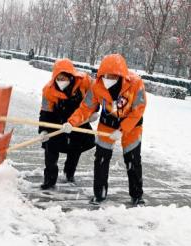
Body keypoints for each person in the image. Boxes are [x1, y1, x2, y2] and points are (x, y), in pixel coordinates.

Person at [65, 54, 147, 205]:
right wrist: (71, 122)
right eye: (106, 75)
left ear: (121, 75)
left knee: (133, 159)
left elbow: (138, 110)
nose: (108, 78)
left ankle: (137, 195)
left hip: (131, 126)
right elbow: (85, 108)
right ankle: (100, 193)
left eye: (113, 76)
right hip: (107, 124)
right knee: (101, 158)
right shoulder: (97, 86)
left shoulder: (135, 83)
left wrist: (123, 129)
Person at [38, 59, 96, 189]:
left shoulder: (84, 82)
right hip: (56, 122)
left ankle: (69, 173)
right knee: (50, 149)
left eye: (63, 78)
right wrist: (43, 130)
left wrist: (93, 112)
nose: (61, 81)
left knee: (75, 149)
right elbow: (45, 112)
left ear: (71, 76)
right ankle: (50, 179)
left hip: (79, 121)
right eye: (58, 78)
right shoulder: (49, 90)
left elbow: (96, 96)